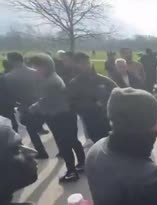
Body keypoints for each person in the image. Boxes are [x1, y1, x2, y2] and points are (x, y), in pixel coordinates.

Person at [28, 54, 86, 182]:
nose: (35, 70)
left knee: (64, 144)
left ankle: (71, 172)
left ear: (46, 67)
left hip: (60, 116)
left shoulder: (50, 82)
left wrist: (33, 107)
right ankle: (82, 163)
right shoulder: (50, 78)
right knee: (72, 141)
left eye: (37, 68)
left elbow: (45, 102)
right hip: (65, 115)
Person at [4, 52, 48, 159]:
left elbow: (11, 94)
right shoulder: (35, 73)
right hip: (41, 103)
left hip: (25, 106)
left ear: (12, 61)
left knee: (32, 131)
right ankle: (62, 150)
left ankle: (42, 152)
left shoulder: (9, 77)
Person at [67, 52, 117, 143]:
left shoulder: (103, 80)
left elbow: (116, 92)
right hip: (91, 119)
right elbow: (72, 103)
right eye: (83, 64)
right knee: (98, 143)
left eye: (88, 63)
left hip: (108, 118)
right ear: (77, 65)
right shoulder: (74, 83)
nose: (87, 66)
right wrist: (93, 105)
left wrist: (107, 104)